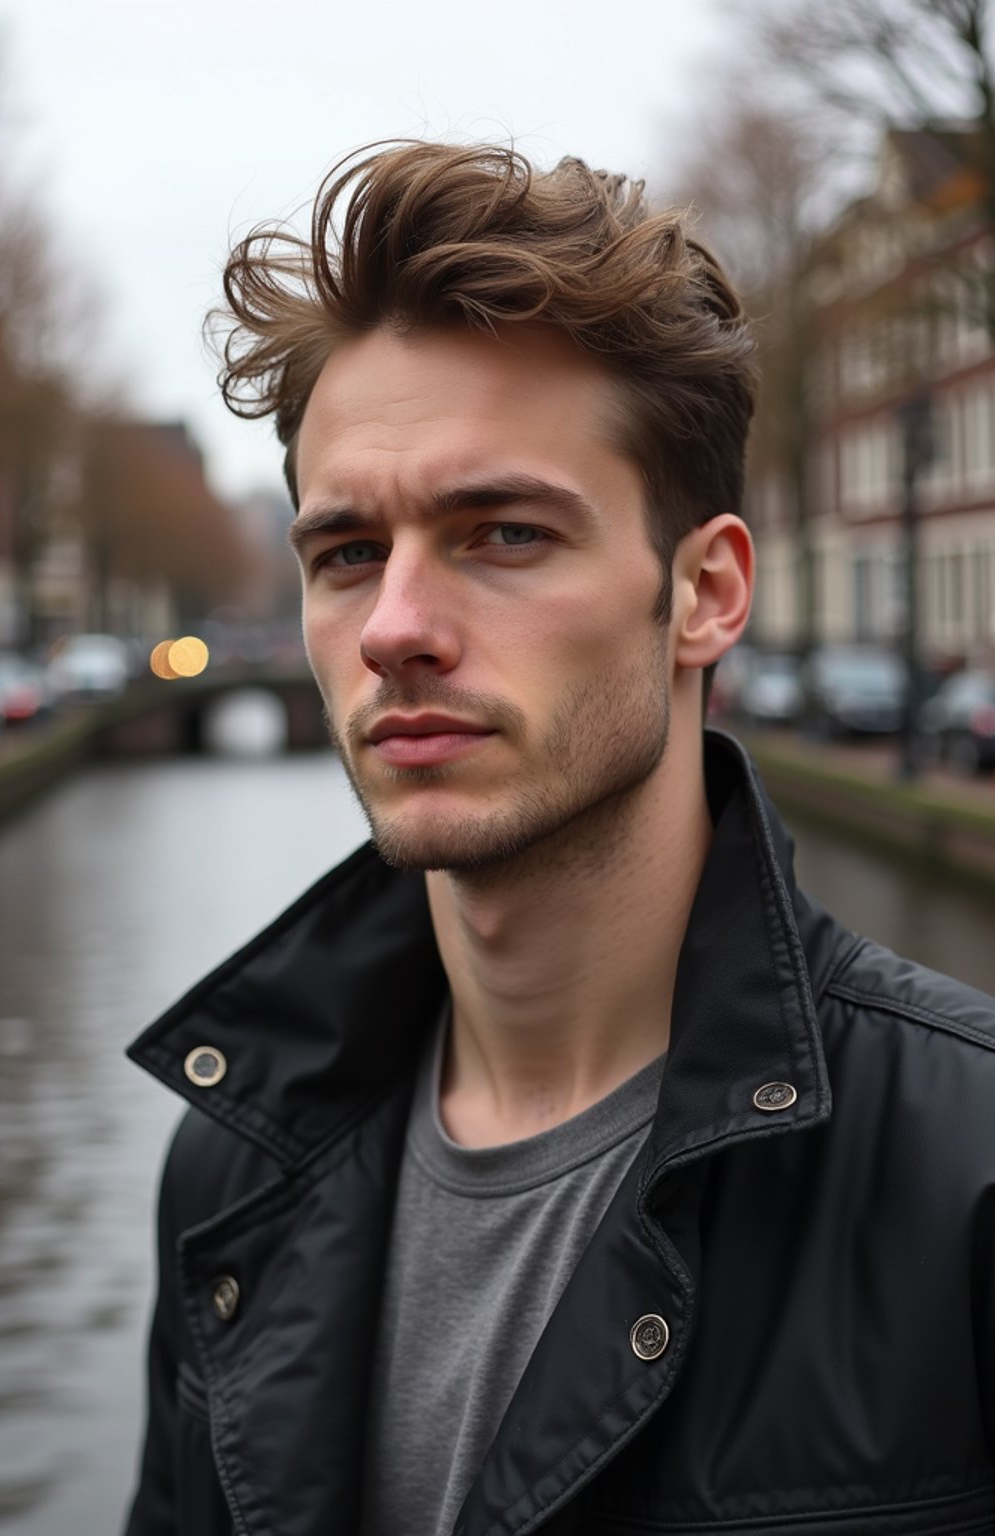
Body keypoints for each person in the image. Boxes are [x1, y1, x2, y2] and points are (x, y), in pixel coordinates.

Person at [124, 142, 995, 1536]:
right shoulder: (232, 1168)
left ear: (703, 592)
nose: (396, 626)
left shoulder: (965, 1173)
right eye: (347, 553)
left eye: (505, 534)